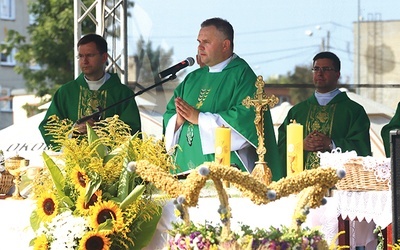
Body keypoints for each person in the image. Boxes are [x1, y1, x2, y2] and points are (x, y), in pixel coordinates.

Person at [163, 17, 283, 180]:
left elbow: (247, 119)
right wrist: (177, 120)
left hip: (227, 174)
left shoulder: (242, 75)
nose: (200, 47)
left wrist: (199, 118)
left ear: (225, 45)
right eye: (199, 41)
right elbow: (170, 113)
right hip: (184, 173)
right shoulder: (192, 78)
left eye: (206, 42)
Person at [39, 33, 141, 149]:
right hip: (73, 162)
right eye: (81, 56)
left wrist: (103, 133)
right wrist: (73, 131)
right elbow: (49, 126)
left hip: (111, 164)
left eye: (90, 55)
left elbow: (132, 131)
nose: (84, 61)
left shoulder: (122, 94)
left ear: (104, 57)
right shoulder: (66, 92)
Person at [278, 51, 372, 171]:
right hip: (301, 184)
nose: (320, 73)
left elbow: (361, 148)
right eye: (316, 69)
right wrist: (301, 145)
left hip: (339, 183)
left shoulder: (353, 111)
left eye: (326, 69)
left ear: (337, 74)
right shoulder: (297, 111)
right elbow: (280, 148)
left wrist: (331, 144)